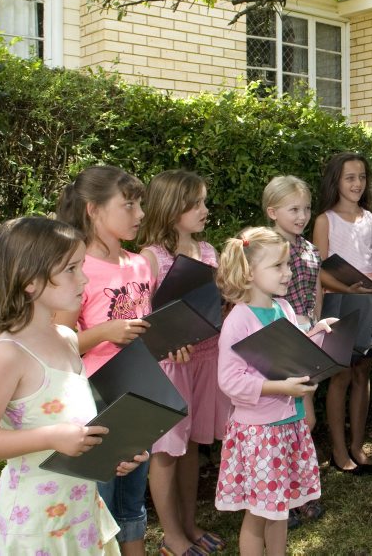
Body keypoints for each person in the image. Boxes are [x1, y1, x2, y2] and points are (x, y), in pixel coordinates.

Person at [0, 217, 145, 554]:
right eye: (72, 269)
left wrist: (115, 452)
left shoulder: (67, 338)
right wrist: (51, 438)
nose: (85, 278)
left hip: (81, 513)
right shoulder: (8, 353)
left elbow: (76, 425)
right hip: (36, 525)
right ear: (31, 282)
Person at [56, 165, 171, 556]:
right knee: (100, 497)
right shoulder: (76, 268)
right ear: (93, 209)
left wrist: (170, 340)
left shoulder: (139, 263)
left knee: (132, 496)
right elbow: (58, 344)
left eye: (140, 204)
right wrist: (105, 333)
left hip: (140, 390)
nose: (140, 214)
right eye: (129, 205)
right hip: (96, 398)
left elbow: (146, 324)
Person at [214, 227, 334, 556]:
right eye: (278, 266)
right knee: (258, 513)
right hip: (260, 434)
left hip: (288, 425)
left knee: (279, 509)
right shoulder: (238, 320)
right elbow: (230, 380)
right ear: (250, 273)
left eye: (288, 264)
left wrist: (319, 333)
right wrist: (277, 386)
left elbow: (293, 352)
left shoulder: (284, 309)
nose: (289, 272)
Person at [138, 170, 228, 555]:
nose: (205, 210)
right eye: (197, 204)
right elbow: (142, 320)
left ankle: (190, 525)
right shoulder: (150, 257)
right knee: (166, 450)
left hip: (208, 356)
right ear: (172, 207)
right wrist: (169, 341)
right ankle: (171, 536)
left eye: (205, 201)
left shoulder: (209, 252)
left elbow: (220, 304)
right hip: (170, 365)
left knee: (192, 446)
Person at [314, 152, 372, 475]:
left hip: (368, 303)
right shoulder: (324, 220)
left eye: (362, 177)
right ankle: (339, 450)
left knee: (363, 372)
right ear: (336, 182)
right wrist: (350, 289)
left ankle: (358, 446)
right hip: (339, 304)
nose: (357, 183)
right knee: (340, 375)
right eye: (349, 178)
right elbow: (320, 271)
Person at [262, 175, 325, 527]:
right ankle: (281, 499)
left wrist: (315, 324)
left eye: (306, 209)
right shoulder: (265, 249)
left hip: (305, 338)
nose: (302, 216)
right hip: (278, 342)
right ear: (273, 212)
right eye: (293, 209)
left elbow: (314, 289)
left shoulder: (309, 248)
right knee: (284, 423)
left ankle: (299, 492)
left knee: (305, 421)